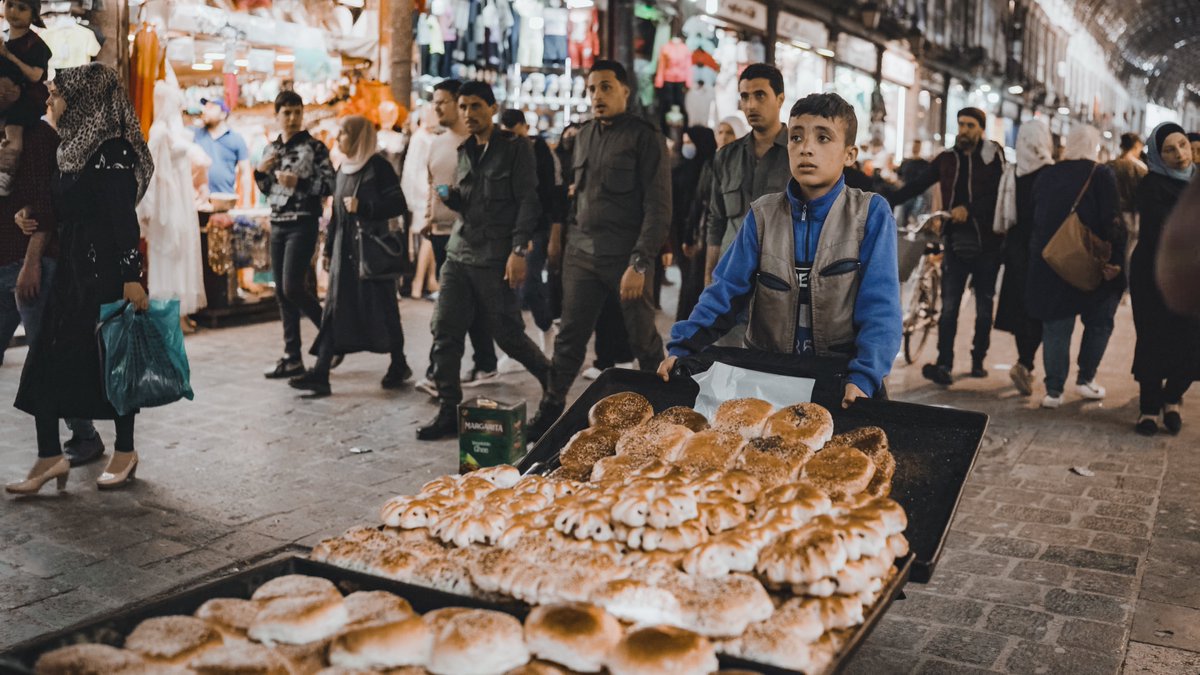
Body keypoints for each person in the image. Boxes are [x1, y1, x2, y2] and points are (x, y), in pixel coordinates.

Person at [659, 93, 902, 408]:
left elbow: (881, 308)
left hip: (840, 381)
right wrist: (681, 348)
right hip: (767, 380)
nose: (806, 147)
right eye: (796, 137)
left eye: (823, 137)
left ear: (849, 154)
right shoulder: (763, 214)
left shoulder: (870, 213)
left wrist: (864, 377)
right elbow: (724, 292)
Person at [8, 63, 154, 495]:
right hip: (72, 272)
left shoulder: (112, 150)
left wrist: (132, 277)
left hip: (105, 275)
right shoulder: (72, 147)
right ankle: (50, 456)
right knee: (46, 361)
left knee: (114, 363)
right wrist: (30, 218)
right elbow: (64, 208)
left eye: (57, 93)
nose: (51, 100)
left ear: (87, 97)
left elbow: (122, 220)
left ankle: (124, 450)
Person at [528, 60, 671, 440]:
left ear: (625, 90)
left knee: (644, 340)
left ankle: (665, 414)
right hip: (583, 255)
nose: (597, 96)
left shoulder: (645, 137)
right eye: (592, 89)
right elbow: (576, 197)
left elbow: (658, 207)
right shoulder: (584, 134)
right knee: (570, 338)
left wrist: (641, 262)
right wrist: (562, 239)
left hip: (626, 257)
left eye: (606, 87)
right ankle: (551, 409)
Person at [417, 81, 552, 441]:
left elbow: (527, 201)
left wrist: (519, 250)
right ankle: (448, 409)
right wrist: (452, 198)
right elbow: (472, 200)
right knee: (444, 330)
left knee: (508, 334)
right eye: (463, 107)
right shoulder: (464, 150)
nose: (468, 113)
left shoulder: (516, 148)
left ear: (492, 109)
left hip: (495, 257)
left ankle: (553, 390)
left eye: (476, 106)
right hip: (460, 254)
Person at [288, 116, 411, 398]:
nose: (339, 138)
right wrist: (329, 250)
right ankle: (321, 373)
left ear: (357, 136)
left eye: (344, 133)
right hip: (345, 252)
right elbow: (337, 217)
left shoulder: (377, 166)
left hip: (370, 253)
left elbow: (397, 204)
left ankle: (399, 362)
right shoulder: (343, 168)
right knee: (333, 310)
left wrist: (365, 206)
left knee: (384, 308)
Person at [887, 107, 1006, 385]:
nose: (964, 130)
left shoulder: (992, 158)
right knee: (949, 305)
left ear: (981, 129)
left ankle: (978, 359)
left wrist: (970, 209)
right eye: (961, 124)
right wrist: (886, 199)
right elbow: (916, 185)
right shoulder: (947, 159)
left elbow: (998, 195)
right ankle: (944, 363)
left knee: (984, 305)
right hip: (955, 242)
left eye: (970, 125)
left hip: (988, 243)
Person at [1025, 125, 1124, 409]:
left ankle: (1054, 391)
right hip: (1089, 262)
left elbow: (1036, 215)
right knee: (1099, 322)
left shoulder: (1047, 174)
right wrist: (1115, 259)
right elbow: (1112, 219)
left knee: (1056, 326)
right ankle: (1086, 380)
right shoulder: (1101, 174)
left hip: (1052, 260)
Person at [414, 79, 498, 396]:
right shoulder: (435, 143)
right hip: (439, 232)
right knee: (453, 306)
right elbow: (433, 183)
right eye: (435, 102)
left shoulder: (476, 142)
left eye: (444, 102)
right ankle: (465, 366)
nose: (438, 107)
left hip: (468, 235)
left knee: (463, 307)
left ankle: (459, 367)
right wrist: (427, 216)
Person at [256, 91, 336, 380]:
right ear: (277, 115)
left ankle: (332, 336)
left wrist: (300, 183)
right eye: (286, 113)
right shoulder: (270, 149)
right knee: (282, 292)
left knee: (293, 286)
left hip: (303, 223)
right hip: (277, 223)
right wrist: (259, 173)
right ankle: (292, 358)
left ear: (302, 114)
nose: (291, 118)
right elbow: (267, 190)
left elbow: (330, 185)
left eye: (296, 112)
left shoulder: (315, 147)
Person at [1131, 122, 1197, 436]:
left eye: (1182, 144)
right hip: (1153, 274)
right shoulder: (1151, 185)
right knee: (1153, 336)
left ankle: (1172, 398)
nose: (1179, 154)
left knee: (1191, 340)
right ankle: (1148, 408)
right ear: (1158, 155)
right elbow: (1161, 230)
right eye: (1169, 149)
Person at [704, 65, 790, 286]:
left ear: (780, 99)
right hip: (729, 277)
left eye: (760, 95)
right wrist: (709, 277)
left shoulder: (799, 156)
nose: (751, 105)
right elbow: (716, 220)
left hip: (779, 280)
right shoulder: (726, 157)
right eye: (745, 96)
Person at [994, 120, 1054, 396]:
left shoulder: (1014, 172)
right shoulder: (1051, 173)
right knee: (1039, 308)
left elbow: (1006, 216)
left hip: (1016, 248)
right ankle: (1026, 363)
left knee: (1021, 308)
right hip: (1042, 249)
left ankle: (1024, 362)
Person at [500, 108, 563, 352]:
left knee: (530, 282)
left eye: (514, 132)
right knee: (510, 288)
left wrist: (554, 231)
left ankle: (545, 326)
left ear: (525, 128)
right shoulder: (501, 150)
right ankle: (517, 344)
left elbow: (552, 192)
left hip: (537, 227)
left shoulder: (540, 150)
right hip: (510, 228)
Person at [0, 0, 52, 196]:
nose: (13, 12)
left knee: (14, 130)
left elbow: (35, 75)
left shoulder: (36, 44)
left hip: (27, 102)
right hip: (6, 102)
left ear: (33, 15)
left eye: (21, 8)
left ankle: (7, 173)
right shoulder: (5, 41)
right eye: (10, 5)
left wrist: (9, 55)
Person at [671, 125, 717, 321]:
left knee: (695, 283)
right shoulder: (680, 169)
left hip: (701, 235)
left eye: (691, 142)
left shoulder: (712, 168)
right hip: (682, 233)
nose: (687, 146)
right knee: (688, 281)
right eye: (685, 142)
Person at [1109, 132, 1147, 281]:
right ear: (1136, 146)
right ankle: (1123, 281)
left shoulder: (1110, 165)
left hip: (1112, 214)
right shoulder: (1141, 168)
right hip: (1131, 216)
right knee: (1128, 252)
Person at [193, 99, 250, 197]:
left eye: (210, 107)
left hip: (224, 201)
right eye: (205, 107)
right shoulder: (194, 135)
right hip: (198, 202)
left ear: (223, 113)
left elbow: (245, 173)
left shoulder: (236, 139)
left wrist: (246, 205)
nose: (205, 110)